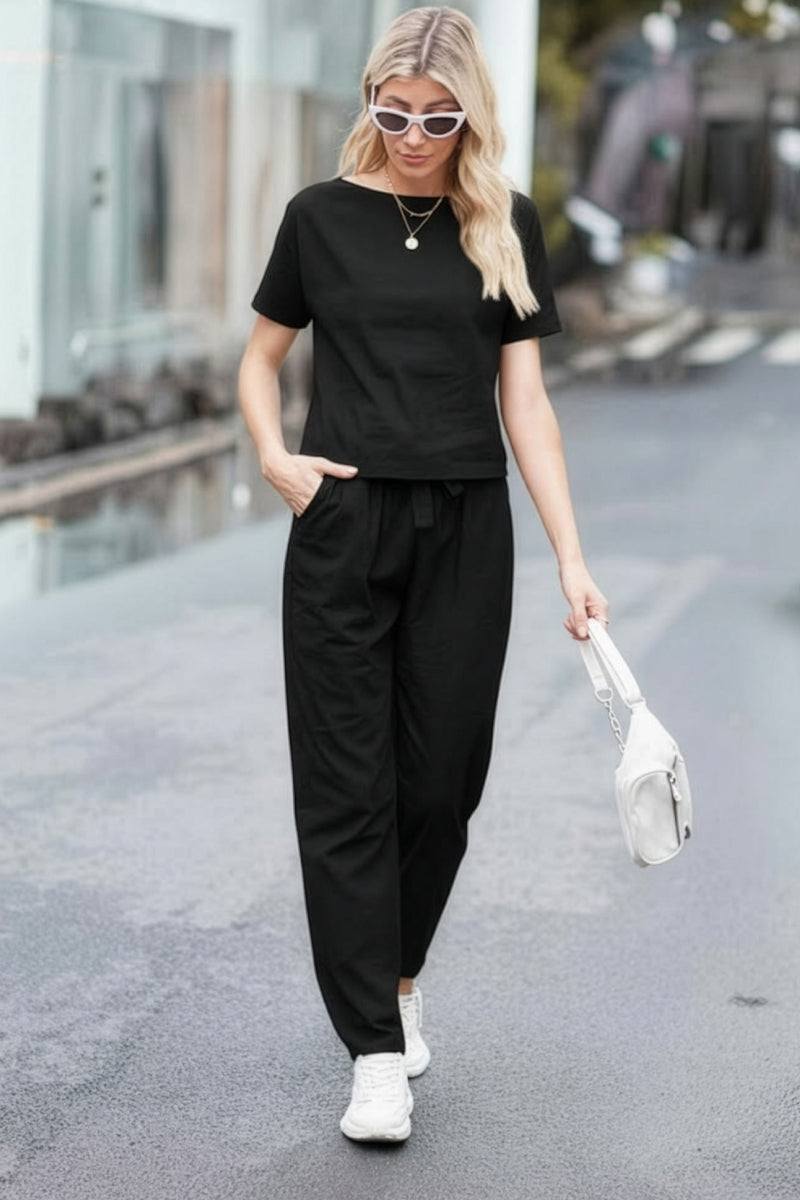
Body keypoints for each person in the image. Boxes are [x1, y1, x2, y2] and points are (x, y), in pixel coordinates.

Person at [238, 4, 610, 1144]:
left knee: (443, 782)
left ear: (469, 118)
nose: (412, 135)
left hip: (464, 528)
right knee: (345, 790)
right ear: (371, 104)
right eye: (392, 113)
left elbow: (526, 405)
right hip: (343, 524)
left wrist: (571, 557)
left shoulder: (504, 224)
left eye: (437, 118)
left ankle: (397, 977)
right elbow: (259, 358)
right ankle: (372, 1053)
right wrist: (276, 459)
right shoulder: (318, 218)